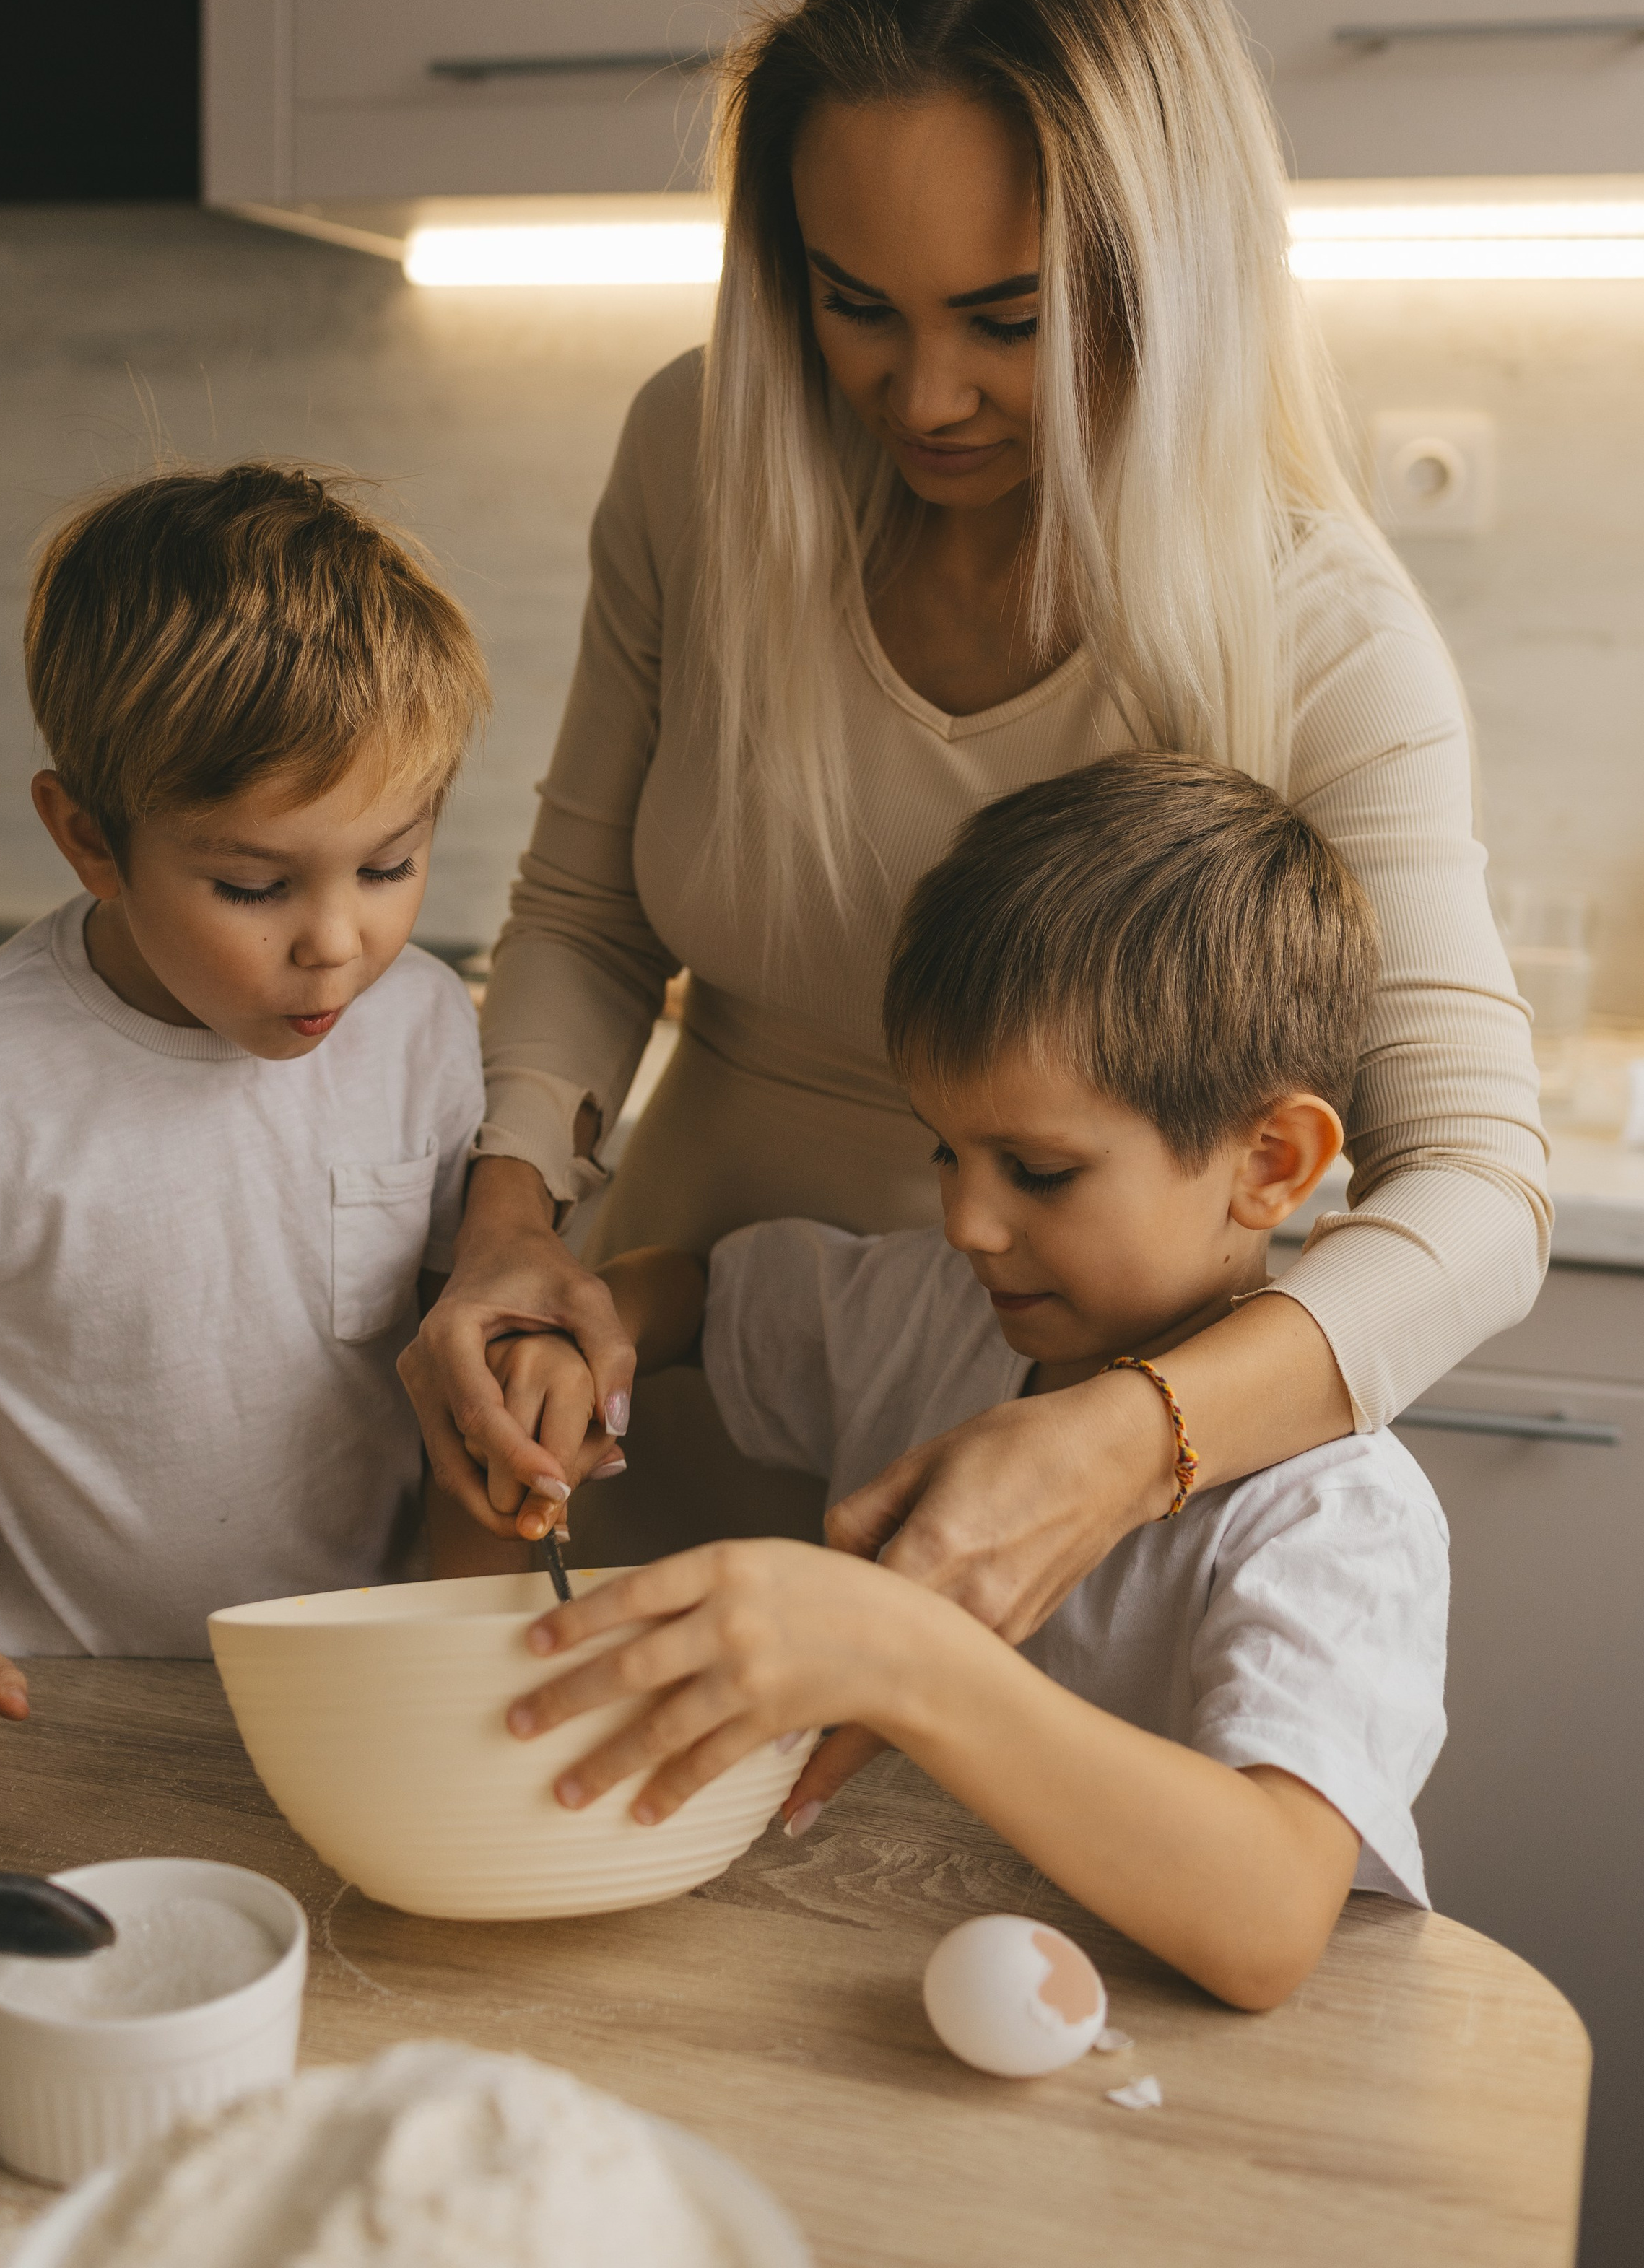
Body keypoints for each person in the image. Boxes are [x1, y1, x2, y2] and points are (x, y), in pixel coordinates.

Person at [403, 0, 1545, 1732]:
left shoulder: (1320, 630)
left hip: (1052, 1487)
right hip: (662, 1394)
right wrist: (514, 1231)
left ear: (1155, 273)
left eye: (1006, 322)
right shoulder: (697, 457)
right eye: (856, 302)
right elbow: (586, 923)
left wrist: (1130, 1441)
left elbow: (1486, 1190)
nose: (921, 393)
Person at [497, 755, 1449, 2011]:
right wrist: (589, 1330)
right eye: (947, 1150)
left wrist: (910, 1659)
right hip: (868, 1994)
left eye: (1038, 1171)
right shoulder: (932, 1319)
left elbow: (1269, 1918)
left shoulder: (1336, 1511)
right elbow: (711, 1294)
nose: (967, 1223)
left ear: (1270, 1160)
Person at [0, 461, 515, 1817]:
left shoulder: (423, 1024)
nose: (338, 942)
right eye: (253, 883)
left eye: (389, 863)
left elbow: (452, 1352)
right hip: (29, 1710)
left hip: (338, 1704)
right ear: (88, 837)